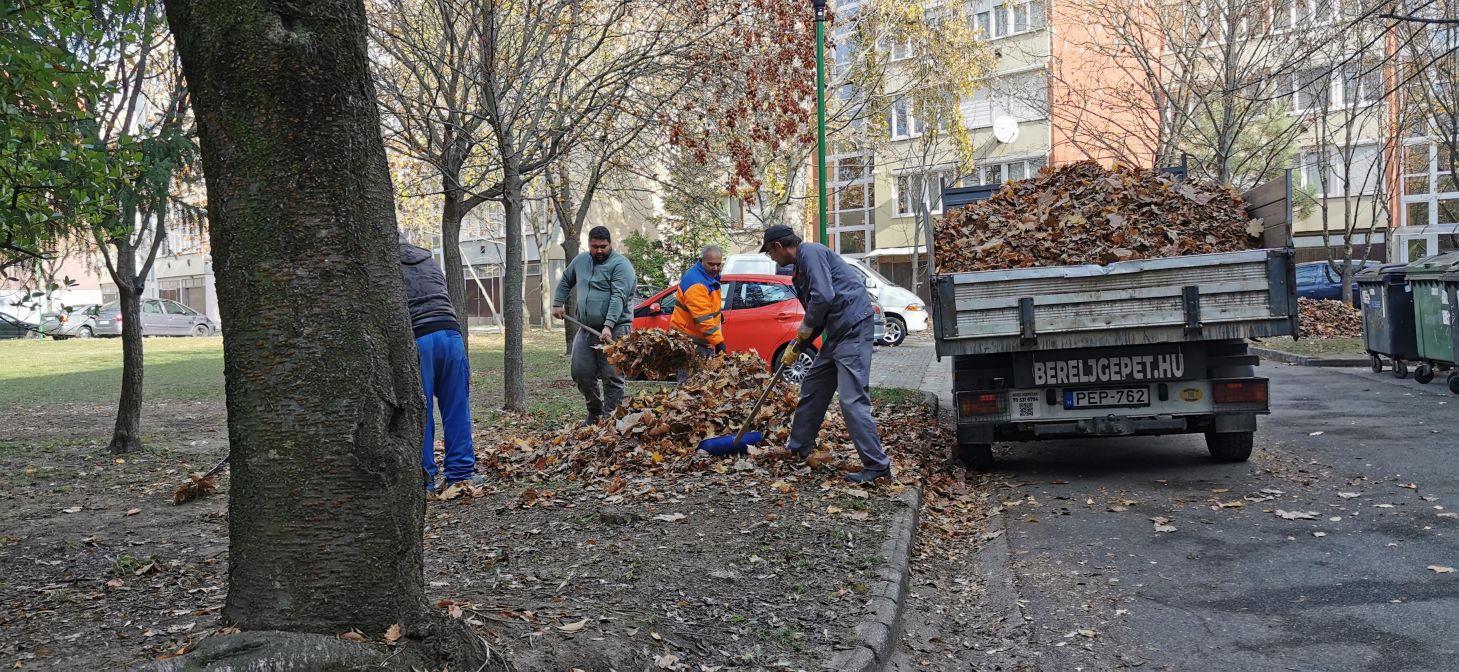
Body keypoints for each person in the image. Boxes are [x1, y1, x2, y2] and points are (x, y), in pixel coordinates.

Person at [760, 225, 892, 484]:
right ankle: (798, 448)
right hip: (837, 332)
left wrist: (804, 328)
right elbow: (818, 310)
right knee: (813, 386)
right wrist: (797, 345)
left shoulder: (810, 252)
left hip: (853, 328)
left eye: (769, 253)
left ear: (778, 246)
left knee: (851, 400)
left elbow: (824, 296)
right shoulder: (799, 272)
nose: (771, 258)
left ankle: (877, 466)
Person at [398, 242, 477, 491]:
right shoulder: (428, 260)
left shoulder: (384, 265)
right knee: (457, 408)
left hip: (419, 338)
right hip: (451, 334)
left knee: (421, 412)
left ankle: (425, 480)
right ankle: (462, 474)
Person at [551, 226, 637, 424]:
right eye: (594, 246)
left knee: (611, 376)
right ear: (588, 244)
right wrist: (557, 303)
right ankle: (595, 411)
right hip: (586, 328)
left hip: (615, 329)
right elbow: (566, 279)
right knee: (580, 372)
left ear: (610, 244)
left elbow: (619, 297)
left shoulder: (621, 266)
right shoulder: (581, 261)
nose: (599, 251)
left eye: (603, 247)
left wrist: (608, 325)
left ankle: (610, 417)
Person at [670, 245, 726, 383]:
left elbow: (709, 304)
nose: (715, 268)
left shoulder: (708, 275)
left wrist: (718, 315)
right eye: (711, 264)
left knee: (701, 384)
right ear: (701, 261)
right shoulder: (696, 284)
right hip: (689, 342)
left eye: (718, 265)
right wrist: (719, 342)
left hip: (697, 340)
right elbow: (703, 320)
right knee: (689, 386)